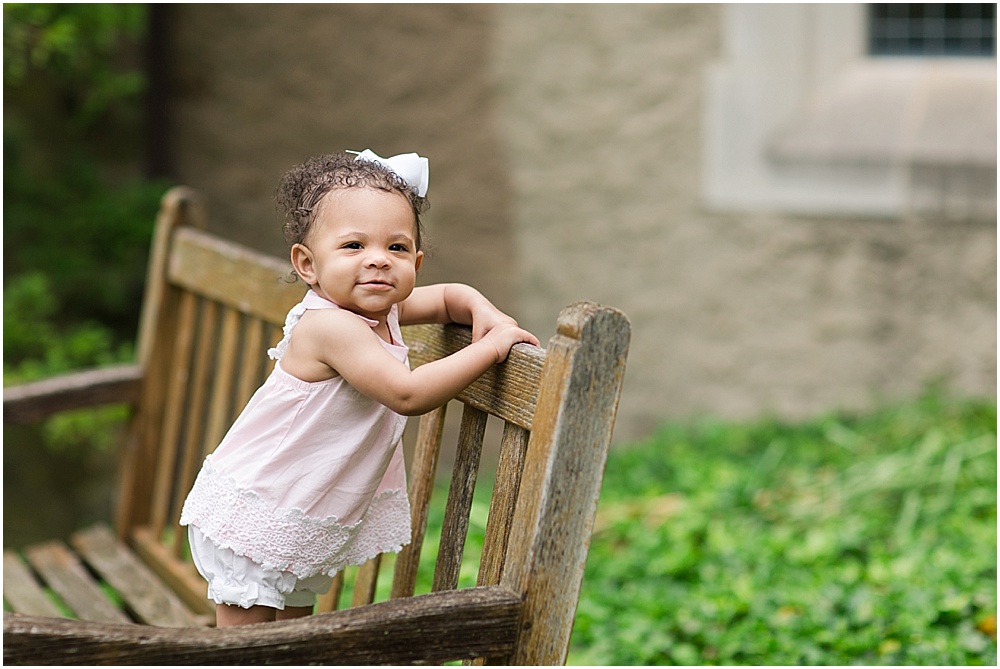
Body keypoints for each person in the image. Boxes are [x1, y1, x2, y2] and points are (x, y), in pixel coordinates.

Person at [180, 150, 539, 626]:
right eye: (353, 246)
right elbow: (407, 395)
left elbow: (451, 296)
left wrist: (482, 309)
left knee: (294, 644)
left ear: (416, 261)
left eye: (397, 248)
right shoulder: (331, 327)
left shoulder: (379, 311)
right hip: (259, 514)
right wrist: (491, 348)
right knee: (247, 654)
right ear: (308, 264)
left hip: (299, 515)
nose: (378, 261)